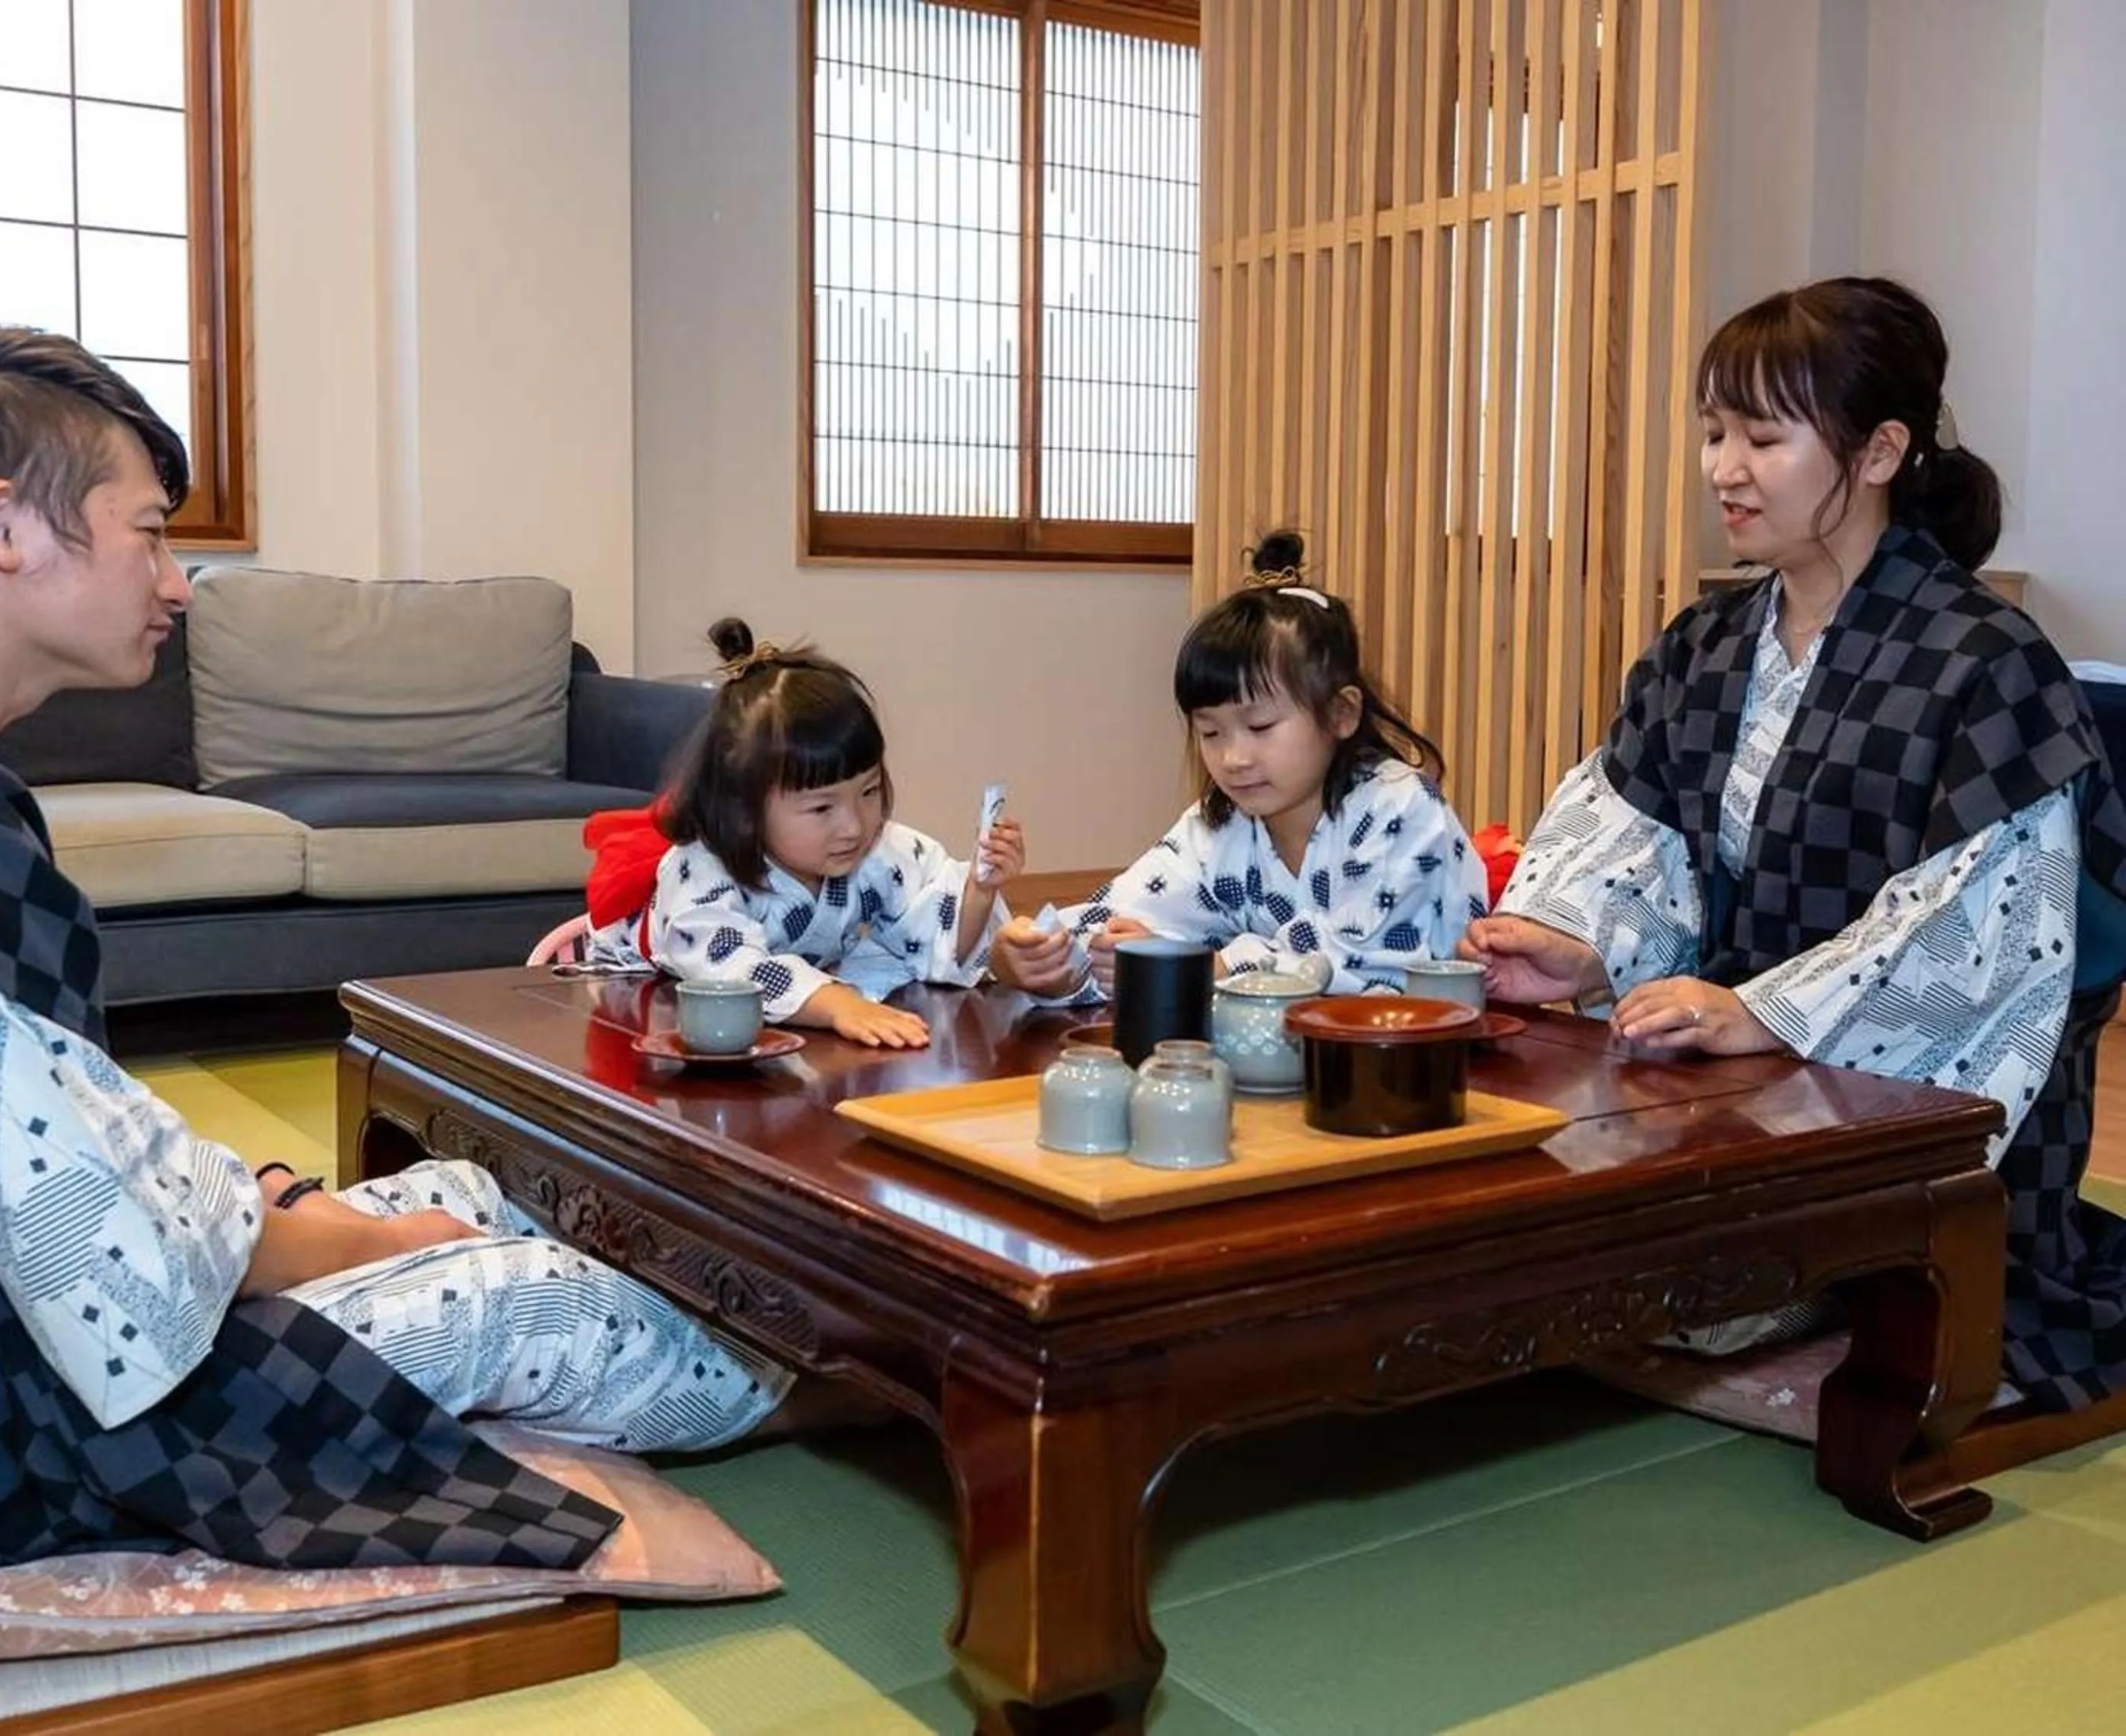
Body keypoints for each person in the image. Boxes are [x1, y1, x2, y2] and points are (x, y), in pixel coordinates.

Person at [0, 328, 803, 1607]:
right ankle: (802, 1393)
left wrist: (268, 1210)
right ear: (6, 529)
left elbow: (26, 1136)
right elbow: (100, 1257)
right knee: (564, 1305)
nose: (177, 582)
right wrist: (303, 1234)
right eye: (149, 532)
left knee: (460, 1187)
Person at [1459, 276, 2126, 1409]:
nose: (1724, 466)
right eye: (1716, 432)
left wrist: (1765, 1010)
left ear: (1878, 452)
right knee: (1507, 1246)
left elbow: (1983, 941)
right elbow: (1644, 833)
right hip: (1726, 1087)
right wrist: (1581, 941)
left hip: (1890, 1101)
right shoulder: (1708, 643)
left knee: (1663, 1309)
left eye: (1763, 437)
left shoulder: (1986, 659)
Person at [993, 531, 1489, 999]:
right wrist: (1050, 959)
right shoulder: (1222, 823)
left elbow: (1369, 963)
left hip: (1426, 1067)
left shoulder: (1398, 806)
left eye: (1261, 727)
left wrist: (1215, 966)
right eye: (1211, 733)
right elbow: (1128, 913)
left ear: (1342, 713)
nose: (1233, 758)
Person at [577, 620, 1026, 1049]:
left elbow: (930, 935)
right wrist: (836, 1004)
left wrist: (979, 890)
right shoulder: (702, 867)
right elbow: (731, 970)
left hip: (787, 1031)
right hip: (651, 1014)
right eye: (822, 807)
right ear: (743, 805)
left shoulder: (879, 850)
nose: (854, 825)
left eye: (869, 791)